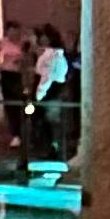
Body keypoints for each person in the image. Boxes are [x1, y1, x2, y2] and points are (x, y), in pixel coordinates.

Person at [29, 25, 71, 162]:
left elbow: (47, 76)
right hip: (50, 89)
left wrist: (40, 95)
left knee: (51, 122)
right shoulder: (51, 54)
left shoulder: (51, 55)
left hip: (50, 91)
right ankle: (51, 148)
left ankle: (53, 149)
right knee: (48, 122)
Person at [0, 21, 33, 149]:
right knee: (10, 105)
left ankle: (25, 133)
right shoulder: (3, 42)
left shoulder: (23, 43)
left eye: (16, 31)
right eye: (11, 31)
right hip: (6, 74)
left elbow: (28, 56)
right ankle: (15, 134)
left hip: (18, 75)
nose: (13, 34)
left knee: (20, 104)